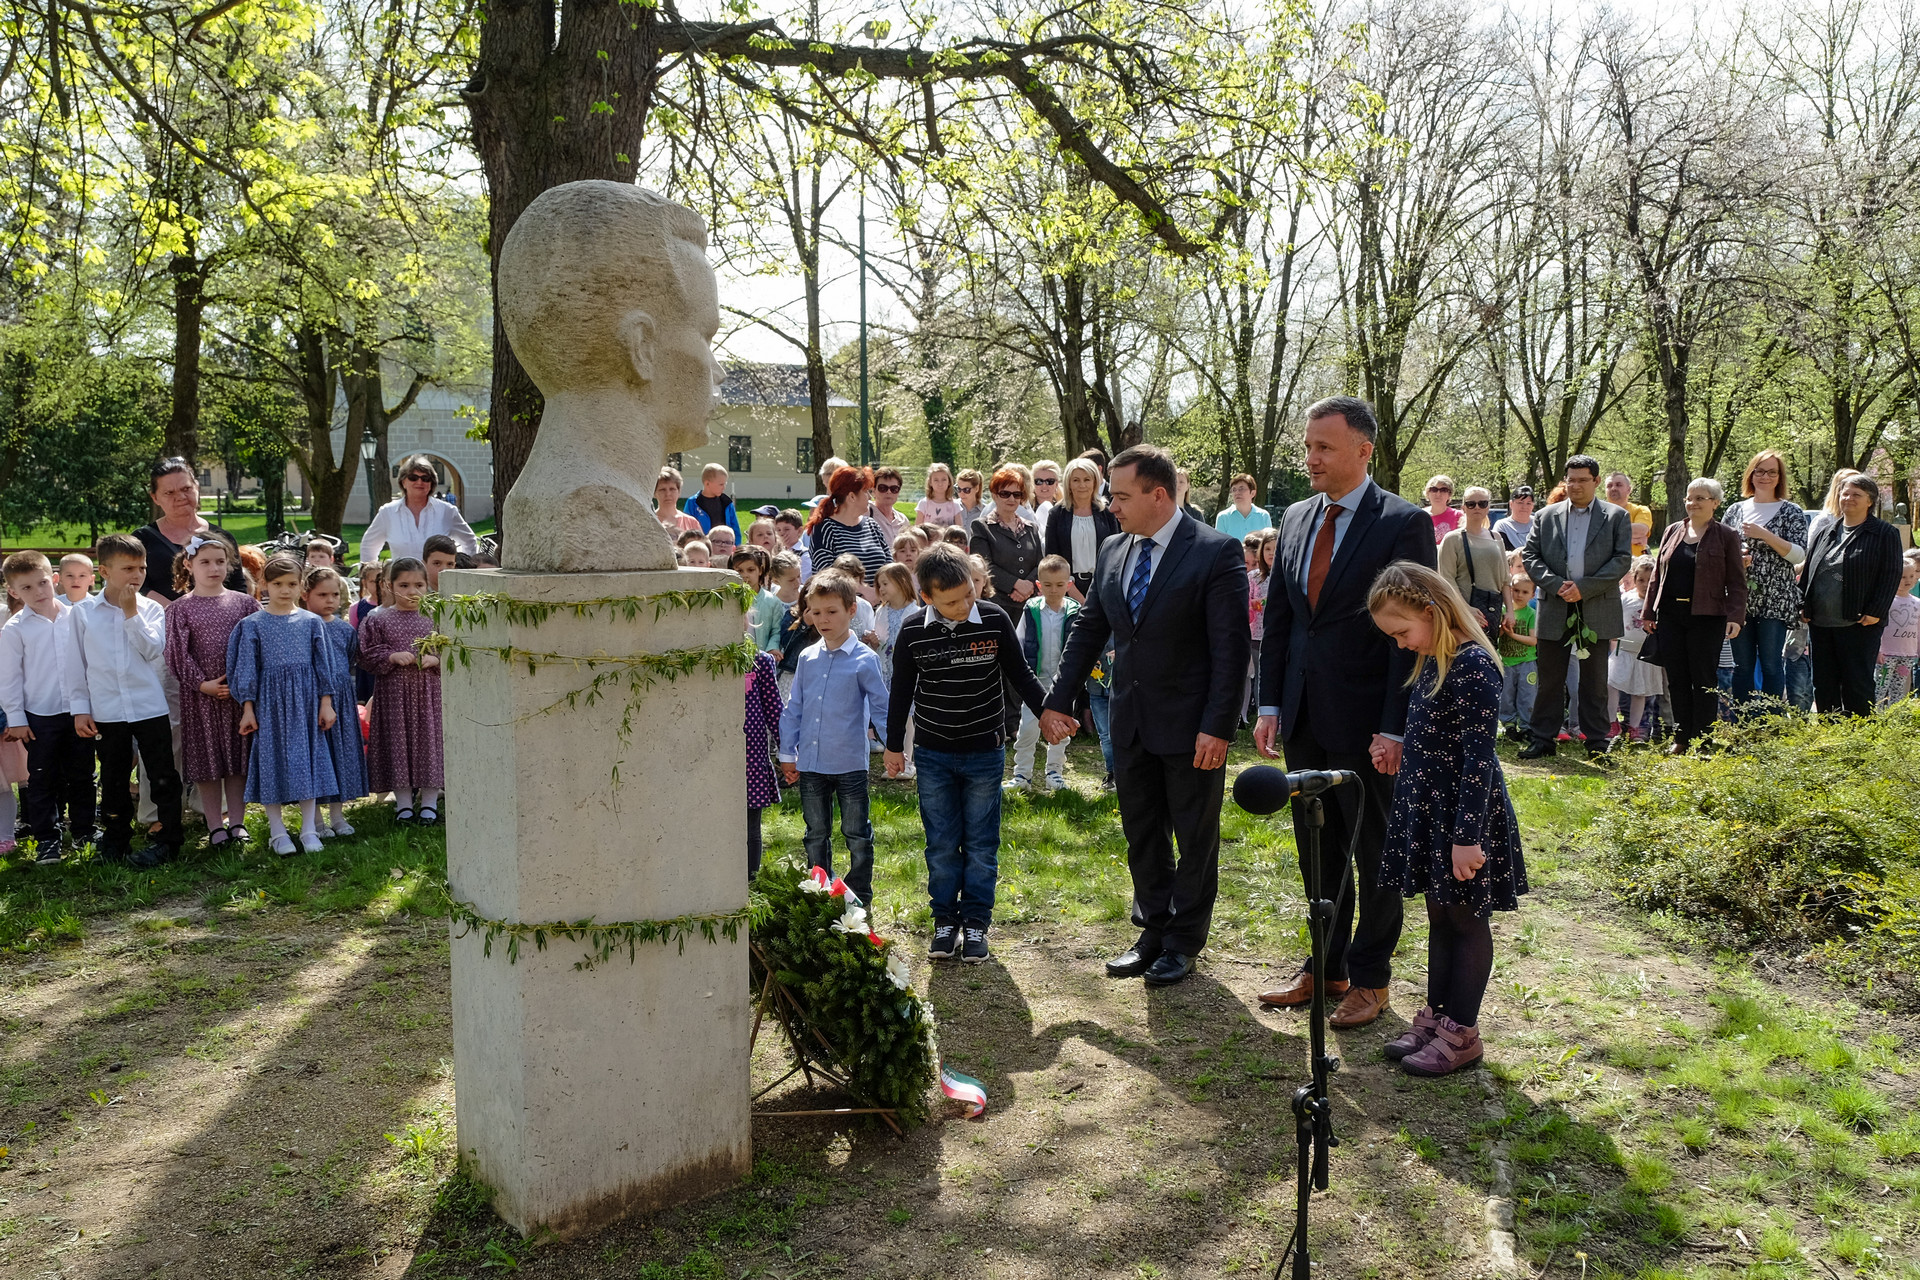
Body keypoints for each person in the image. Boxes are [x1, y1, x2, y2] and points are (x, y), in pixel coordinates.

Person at [1252, 398, 1436, 1026]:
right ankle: (1326, 965)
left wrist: (1394, 725)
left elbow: (1410, 634)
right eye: (1308, 446)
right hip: (1303, 713)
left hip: (1368, 720)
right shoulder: (1296, 516)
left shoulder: (1403, 522)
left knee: (1374, 848)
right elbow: (1282, 620)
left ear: (1364, 451)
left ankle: (1371, 977)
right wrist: (1270, 703)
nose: (1311, 459)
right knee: (1317, 846)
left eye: (1324, 447)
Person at [1040, 443, 1249, 989]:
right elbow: (1090, 629)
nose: (1111, 505)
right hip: (1130, 720)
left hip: (1191, 727)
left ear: (1159, 495)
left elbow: (1230, 652)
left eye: (1121, 495)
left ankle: (1183, 941)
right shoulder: (1114, 548)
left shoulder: (1215, 551)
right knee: (1142, 833)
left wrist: (1218, 727)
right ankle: (1154, 930)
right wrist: (1058, 699)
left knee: (1194, 837)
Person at [1365, 562, 1527, 1077]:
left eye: (1402, 632)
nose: (1399, 644)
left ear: (1432, 613)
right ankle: (1437, 1017)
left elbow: (1479, 758)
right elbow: (1436, 737)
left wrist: (1467, 838)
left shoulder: (1474, 665)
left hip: (1462, 817)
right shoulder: (1433, 662)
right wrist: (1398, 754)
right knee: (1440, 915)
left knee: (1465, 917)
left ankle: (1463, 1032)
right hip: (1431, 810)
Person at [885, 544, 1049, 964]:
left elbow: (1020, 674)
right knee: (941, 844)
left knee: (980, 843)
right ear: (927, 597)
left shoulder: (994, 619)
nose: (963, 607)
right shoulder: (912, 631)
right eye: (951, 602)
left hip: (984, 753)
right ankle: (945, 921)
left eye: (968, 596)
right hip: (933, 754)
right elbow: (900, 692)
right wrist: (893, 746)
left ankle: (976, 922)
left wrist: (1050, 713)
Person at [66, 535, 180, 868]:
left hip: (149, 706)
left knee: (162, 775)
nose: (137, 575)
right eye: (128, 568)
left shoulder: (151, 609)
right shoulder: (83, 613)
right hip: (108, 709)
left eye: (141, 567)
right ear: (104, 571)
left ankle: (169, 840)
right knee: (114, 777)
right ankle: (116, 840)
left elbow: (152, 650)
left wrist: (132, 614)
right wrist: (80, 709)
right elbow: (76, 665)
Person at [777, 572, 889, 904]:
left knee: (856, 832)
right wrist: (787, 753)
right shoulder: (807, 658)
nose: (823, 619)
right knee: (815, 832)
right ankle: (820, 890)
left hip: (849, 762)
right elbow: (794, 707)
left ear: (851, 610)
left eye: (832, 611)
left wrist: (894, 748)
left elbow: (881, 707)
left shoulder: (864, 660)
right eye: (816, 612)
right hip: (812, 764)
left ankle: (859, 895)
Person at [1519, 456, 1632, 760]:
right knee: (1549, 679)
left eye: (1583, 480)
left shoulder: (1616, 517)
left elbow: (1622, 560)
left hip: (1596, 605)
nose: (1576, 485)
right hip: (1555, 604)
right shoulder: (1545, 516)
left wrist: (1585, 588)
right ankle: (1543, 738)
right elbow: (1530, 556)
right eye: (1571, 480)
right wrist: (1556, 585)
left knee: (1594, 680)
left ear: (1596, 481)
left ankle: (1596, 741)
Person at [228, 553, 340, 856]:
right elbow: (246, 668)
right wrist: (247, 708)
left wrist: (326, 703)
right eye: (277, 583)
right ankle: (277, 832)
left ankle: (308, 829)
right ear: (264, 583)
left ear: (301, 585)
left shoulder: (311, 622)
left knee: (308, 761)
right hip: (270, 705)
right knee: (271, 761)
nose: (285, 590)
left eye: (291, 583)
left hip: (306, 703)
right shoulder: (252, 625)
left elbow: (323, 665)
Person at [164, 537, 259, 846]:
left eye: (220, 561)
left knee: (236, 760)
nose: (213, 568)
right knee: (208, 762)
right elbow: (176, 653)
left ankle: (238, 822)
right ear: (189, 565)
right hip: (200, 698)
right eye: (205, 562)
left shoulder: (245, 604)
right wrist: (202, 684)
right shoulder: (180, 608)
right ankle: (215, 825)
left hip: (237, 696)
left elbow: (255, 645)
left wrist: (239, 682)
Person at [1643, 479, 1748, 752]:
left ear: (1715, 503)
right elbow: (1657, 576)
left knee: (1703, 680)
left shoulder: (1726, 535)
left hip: (1707, 618)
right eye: (1689, 498)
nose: (1693, 503)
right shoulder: (1672, 531)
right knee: (1677, 679)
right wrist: (1648, 612)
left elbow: (1737, 582)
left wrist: (1735, 616)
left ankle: (1702, 741)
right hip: (1670, 616)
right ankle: (1681, 739)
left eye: (1700, 498)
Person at [1, 552, 92, 863]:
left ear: (54, 579)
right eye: (26, 588)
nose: (38, 592)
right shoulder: (15, 629)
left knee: (82, 774)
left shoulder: (78, 616)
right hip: (39, 715)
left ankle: (84, 831)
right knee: (42, 778)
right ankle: (47, 839)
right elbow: (9, 678)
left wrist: (91, 706)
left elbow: (90, 661)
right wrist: (16, 718)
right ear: (13, 592)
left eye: (42, 583)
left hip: (79, 711)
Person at [1801, 473, 1904, 716]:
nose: (1848, 498)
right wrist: (1803, 604)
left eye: (1856, 494)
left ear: (1870, 501)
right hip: (1821, 623)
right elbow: (1809, 571)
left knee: (1857, 685)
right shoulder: (1826, 531)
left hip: (1859, 623)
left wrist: (1876, 610)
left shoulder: (1884, 533)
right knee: (1823, 684)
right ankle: (1829, 733)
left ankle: (1860, 734)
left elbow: (1891, 574)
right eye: (1845, 493)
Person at [359, 559, 445, 822]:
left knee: (429, 743)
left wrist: (437, 660)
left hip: (429, 693)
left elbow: (454, 649)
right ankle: (404, 804)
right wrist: (391, 656)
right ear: (389, 586)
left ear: (427, 586)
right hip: (394, 694)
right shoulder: (378, 619)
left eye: (419, 585)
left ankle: (429, 803)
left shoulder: (437, 617)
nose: (412, 591)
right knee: (398, 745)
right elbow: (366, 653)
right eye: (404, 585)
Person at [1722, 450, 1808, 707]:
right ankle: (1743, 721)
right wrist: (1737, 558)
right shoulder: (1735, 510)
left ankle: (1771, 721)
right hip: (1741, 599)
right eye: (1759, 471)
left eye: (1772, 472)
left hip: (1776, 598)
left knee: (1771, 664)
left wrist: (1765, 535)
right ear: (1751, 475)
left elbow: (1798, 555)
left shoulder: (1791, 511)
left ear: (1780, 477)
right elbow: (1721, 550)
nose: (1765, 477)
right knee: (1742, 666)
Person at [303, 567, 366, 837]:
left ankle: (338, 816)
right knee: (317, 756)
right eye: (322, 595)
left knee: (340, 753)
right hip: (311, 699)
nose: (330, 600)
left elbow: (350, 658)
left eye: (335, 594)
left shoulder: (344, 629)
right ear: (306, 595)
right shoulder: (302, 626)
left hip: (340, 699)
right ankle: (316, 820)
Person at [134, 458, 249, 602]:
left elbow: (238, 588)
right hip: (161, 615)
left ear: (197, 487)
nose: (180, 497)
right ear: (155, 498)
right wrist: (174, 610)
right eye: (169, 493)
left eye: (186, 489)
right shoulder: (142, 540)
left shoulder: (223, 538)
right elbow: (136, 585)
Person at [1009, 556, 1076, 793]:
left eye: (1059, 585)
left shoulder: (1074, 611)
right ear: (1038, 585)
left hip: (1063, 683)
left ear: (1069, 584)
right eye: (1047, 585)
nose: (1053, 590)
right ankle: (1022, 774)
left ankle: (1054, 772)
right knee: (1028, 729)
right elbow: (1019, 640)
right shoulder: (1031, 609)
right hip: (1035, 681)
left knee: (1060, 731)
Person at [360, 455, 479, 563]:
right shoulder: (387, 512)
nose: (419, 482)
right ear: (403, 482)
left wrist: (462, 569)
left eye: (425, 478)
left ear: (431, 483)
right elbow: (368, 546)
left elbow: (469, 541)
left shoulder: (447, 511)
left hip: (438, 579)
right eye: (413, 477)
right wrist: (371, 575)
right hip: (402, 579)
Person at [1045, 457, 1120, 603]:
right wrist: (1074, 593)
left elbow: (1116, 554)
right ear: (1068, 483)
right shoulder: (1056, 514)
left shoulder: (1107, 513)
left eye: (1087, 480)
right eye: (1076, 480)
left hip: (1103, 586)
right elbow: (1052, 557)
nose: (1082, 485)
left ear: (1095, 482)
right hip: (1067, 588)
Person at [1609, 557, 1665, 743]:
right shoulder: (1626, 599)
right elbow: (1615, 620)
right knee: (1612, 685)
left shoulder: (1658, 603)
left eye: (1649, 580)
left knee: (1639, 692)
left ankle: (1634, 728)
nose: (1645, 584)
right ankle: (1612, 723)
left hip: (1646, 655)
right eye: (1641, 580)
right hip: (1624, 651)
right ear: (1634, 578)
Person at [1437, 486, 1506, 635]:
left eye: (1482, 503)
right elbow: (1446, 579)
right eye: (1471, 504)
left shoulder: (1496, 537)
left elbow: (1505, 579)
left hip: (1492, 610)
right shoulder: (1452, 539)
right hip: (1461, 613)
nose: (1477, 507)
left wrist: (1510, 612)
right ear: (1463, 508)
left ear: (1488, 507)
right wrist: (1465, 609)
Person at [808, 466, 893, 585]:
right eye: (866, 491)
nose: (870, 497)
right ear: (852, 496)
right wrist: (866, 591)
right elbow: (827, 575)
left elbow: (889, 568)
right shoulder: (824, 528)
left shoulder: (872, 526)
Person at [970, 466, 1043, 605]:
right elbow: (982, 566)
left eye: (1017, 494)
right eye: (1005, 494)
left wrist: (1028, 586)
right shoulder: (981, 527)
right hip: (996, 603)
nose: (1011, 498)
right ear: (994, 495)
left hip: (1029, 603)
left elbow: (1040, 564)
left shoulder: (1031, 528)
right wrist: (1015, 584)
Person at [744, 651, 783, 878]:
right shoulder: (715, 658)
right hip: (718, 760)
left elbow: (774, 709)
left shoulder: (759, 661)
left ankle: (751, 879)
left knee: (751, 825)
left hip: (752, 759)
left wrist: (787, 752)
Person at [1497, 572, 1539, 741]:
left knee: (1527, 696)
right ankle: (1509, 725)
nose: (1519, 595)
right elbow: (1496, 635)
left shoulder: (1531, 614)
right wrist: (1503, 627)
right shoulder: (1503, 611)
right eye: (1516, 590)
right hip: (1506, 662)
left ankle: (1526, 726)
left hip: (1527, 663)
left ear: (1532, 595)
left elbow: (1533, 640)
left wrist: (1512, 635)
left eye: (1525, 592)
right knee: (1506, 695)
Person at [1875, 550, 1920, 705]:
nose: (1908, 580)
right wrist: (1877, 649)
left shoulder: (1917, 603)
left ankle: (1894, 715)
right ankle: (1876, 714)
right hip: (1886, 654)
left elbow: (1918, 628)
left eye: (1911, 576)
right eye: (1903, 577)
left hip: (1907, 655)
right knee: (1880, 687)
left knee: (1899, 689)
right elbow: (1878, 627)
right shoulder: (1887, 601)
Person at [680, 462, 741, 538]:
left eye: (725, 484)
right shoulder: (693, 503)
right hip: (701, 543)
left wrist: (736, 544)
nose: (724, 487)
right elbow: (686, 527)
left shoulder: (727, 503)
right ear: (707, 484)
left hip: (724, 543)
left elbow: (735, 529)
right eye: (721, 484)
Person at [1605, 472, 1654, 557]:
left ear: (1629, 489)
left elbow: (1641, 530)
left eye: (1618, 485)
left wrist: (1605, 534)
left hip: (1634, 563)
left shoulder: (1640, 510)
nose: (1613, 488)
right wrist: (1629, 539)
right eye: (1609, 486)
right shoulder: (1597, 511)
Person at [1214, 473, 1274, 540]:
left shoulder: (1263, 516)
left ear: (1253, 493)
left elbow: (1269, 543)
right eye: (1234, 490)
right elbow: (1219, 544)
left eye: (1241, 489)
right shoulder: (1223, 517)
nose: (1237, 493)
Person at [654, 467, 703, 534]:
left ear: (679, 492)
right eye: (662, 490)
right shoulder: (649, 521)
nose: (668, 494)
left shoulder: (692, 523)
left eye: (672, 489)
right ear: (654, 493)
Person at [771, 509, 814, 579]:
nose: (781, 533)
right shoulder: (776, 551)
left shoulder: (805, 555)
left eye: (786, 529)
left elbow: (803, 581)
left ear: (799, 531)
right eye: (778, 530)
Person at [918, 463, 963, 528]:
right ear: (930, 482)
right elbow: (917, 529)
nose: (940, 484)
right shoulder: (924, 504)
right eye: (936, 480)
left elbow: (959, 530)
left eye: (944, 480)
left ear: (949, 482)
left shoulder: (955, 505)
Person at [1492, 486, 1534, 552]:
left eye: (1528, 503)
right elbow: (1499, 552)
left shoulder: (1538, 523)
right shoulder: (1502, 526)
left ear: (1533, 506)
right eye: (1520, 502)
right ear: (1511, 504)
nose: (1524, 507)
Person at [1423, 475, 1461, 543]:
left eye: (1443, 490)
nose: (1438, 494)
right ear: (1428, 493)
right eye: (1434, 490)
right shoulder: (1420, 515)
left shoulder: (1458, 516)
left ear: (1449, 494)